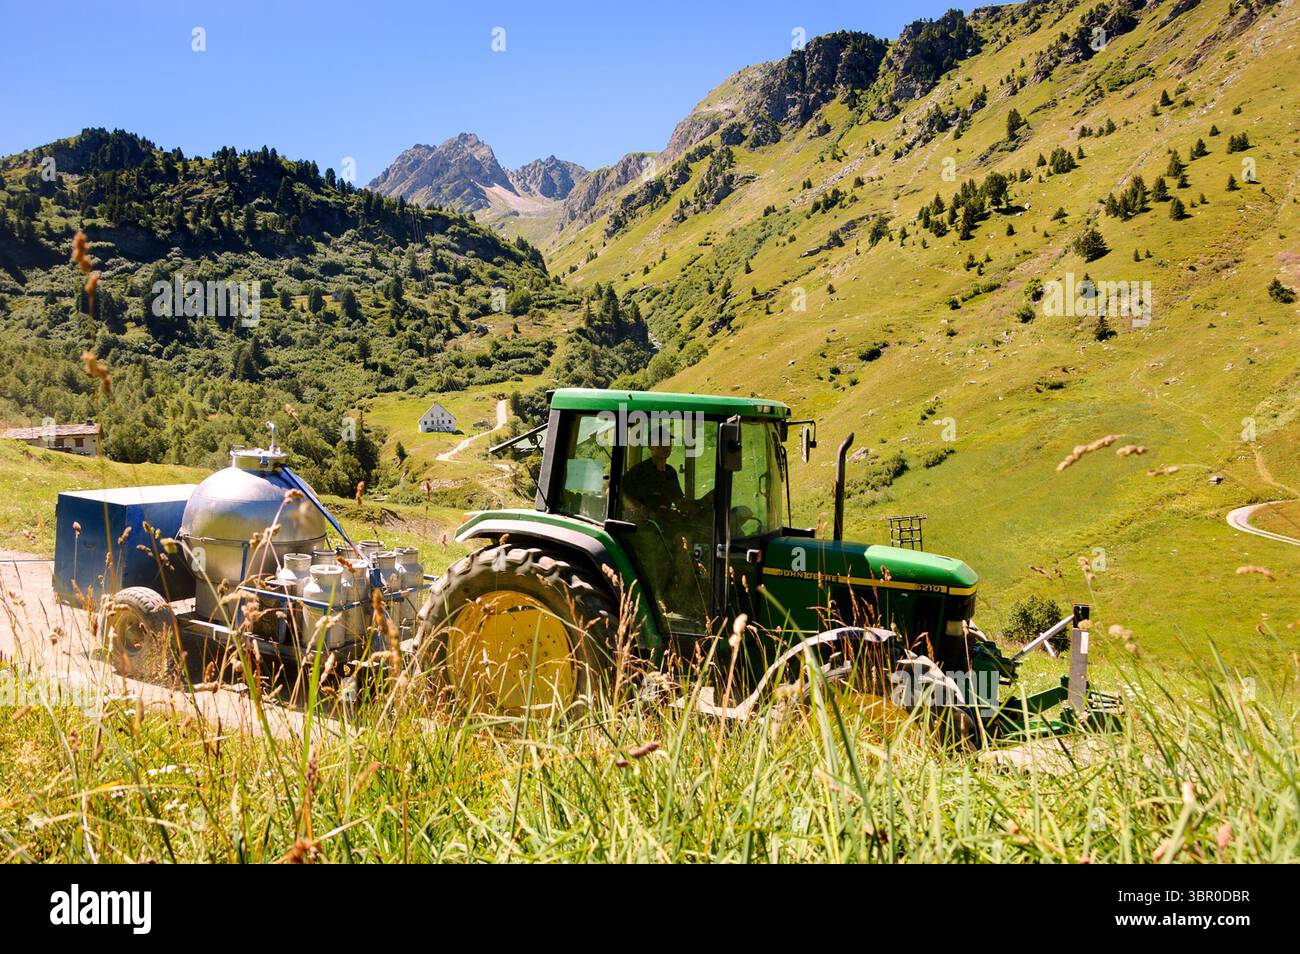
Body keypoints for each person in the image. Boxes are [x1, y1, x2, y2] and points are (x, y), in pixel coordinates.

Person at [621, 442, 682, 518]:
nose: (666, 446)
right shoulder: (639, 470)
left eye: (668, 443)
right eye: (661, 443)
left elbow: (678, 499)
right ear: (650, 446)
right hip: (642, 524)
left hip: (665, 522)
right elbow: (621, 492)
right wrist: (641, 509)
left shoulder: (671, 472)